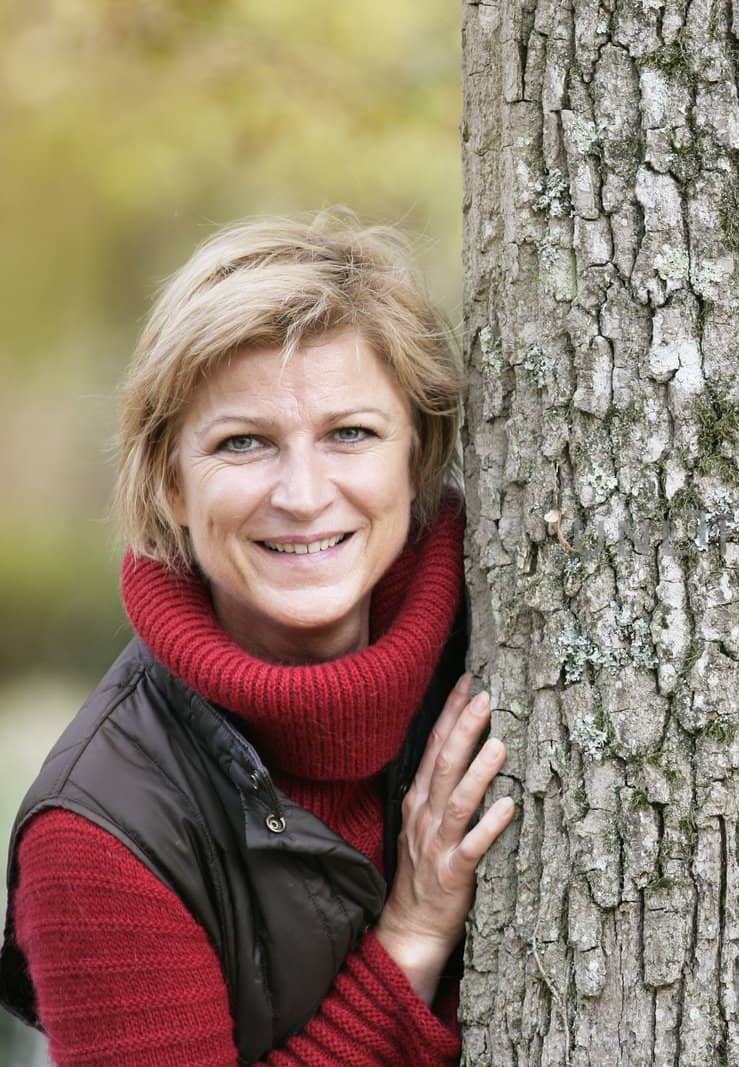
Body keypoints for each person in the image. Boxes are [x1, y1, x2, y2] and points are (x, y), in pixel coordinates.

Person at [0, 213, 514, 1065]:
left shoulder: (501, 630)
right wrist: (413, 935)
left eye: (351, 433)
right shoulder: (99, 832)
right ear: (169, 482)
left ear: (417, 453)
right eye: (245, 442)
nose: (304, 495)